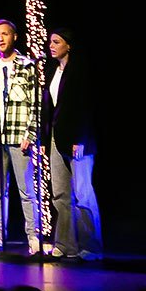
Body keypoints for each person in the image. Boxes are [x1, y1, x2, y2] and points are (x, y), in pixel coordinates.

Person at [0, 19, 42, 255]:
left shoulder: (27, 66)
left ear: (14, 36)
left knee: (26, 191)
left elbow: (36, 103)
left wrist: (30, 133)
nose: (1, 38)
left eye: (5, 34)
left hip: (19, 136)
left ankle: (33, 236)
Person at [41, 27, 103, 260]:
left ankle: (92, 246)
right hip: (57, 137)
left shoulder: (79, 70)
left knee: (83, 193)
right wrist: (45, 138)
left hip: (79, 139)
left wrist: (80, 139)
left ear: (69, 45)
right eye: (51, 42)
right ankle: (66, 244)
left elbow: (85, 107)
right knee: (60, 193)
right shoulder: (52, 71)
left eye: (56, 42)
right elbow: (49, 107)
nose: (51, 46)